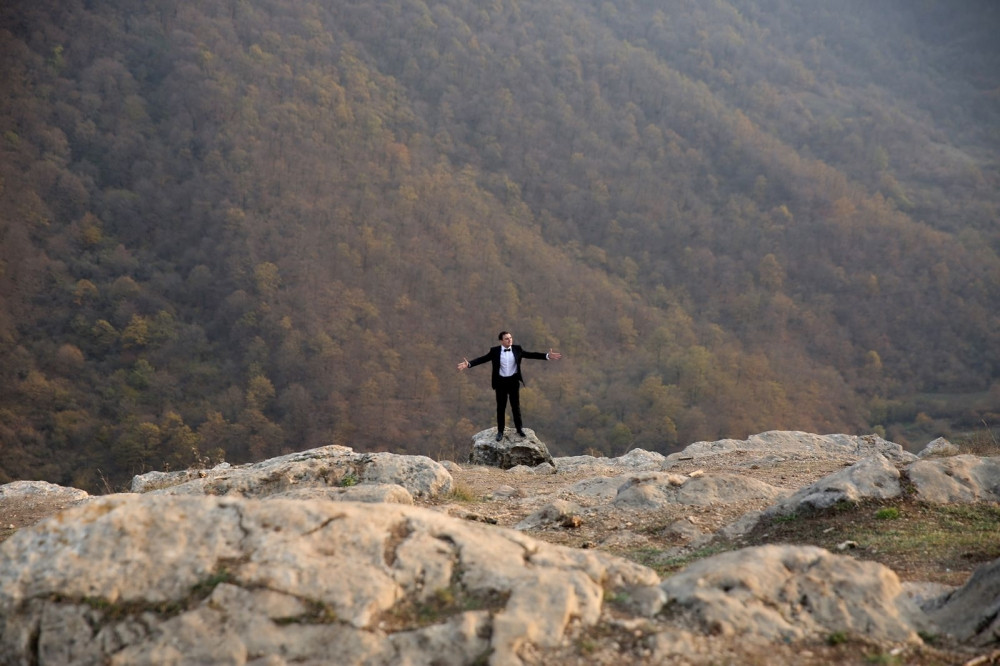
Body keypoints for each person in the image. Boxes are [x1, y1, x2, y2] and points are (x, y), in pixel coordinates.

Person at [457, 330, 562, 441]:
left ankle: (519, 429)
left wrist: (547, 356)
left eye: (510, 337)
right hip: (500, 382)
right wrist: (469, 364)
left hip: (513, 381)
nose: (510, 339)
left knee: (515, 406)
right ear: (501, 341)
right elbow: (483, 359)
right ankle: (500, 432)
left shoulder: (517, 349)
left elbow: (531, 354)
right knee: (501, 408)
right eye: (507, 338)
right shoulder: (495, 351)